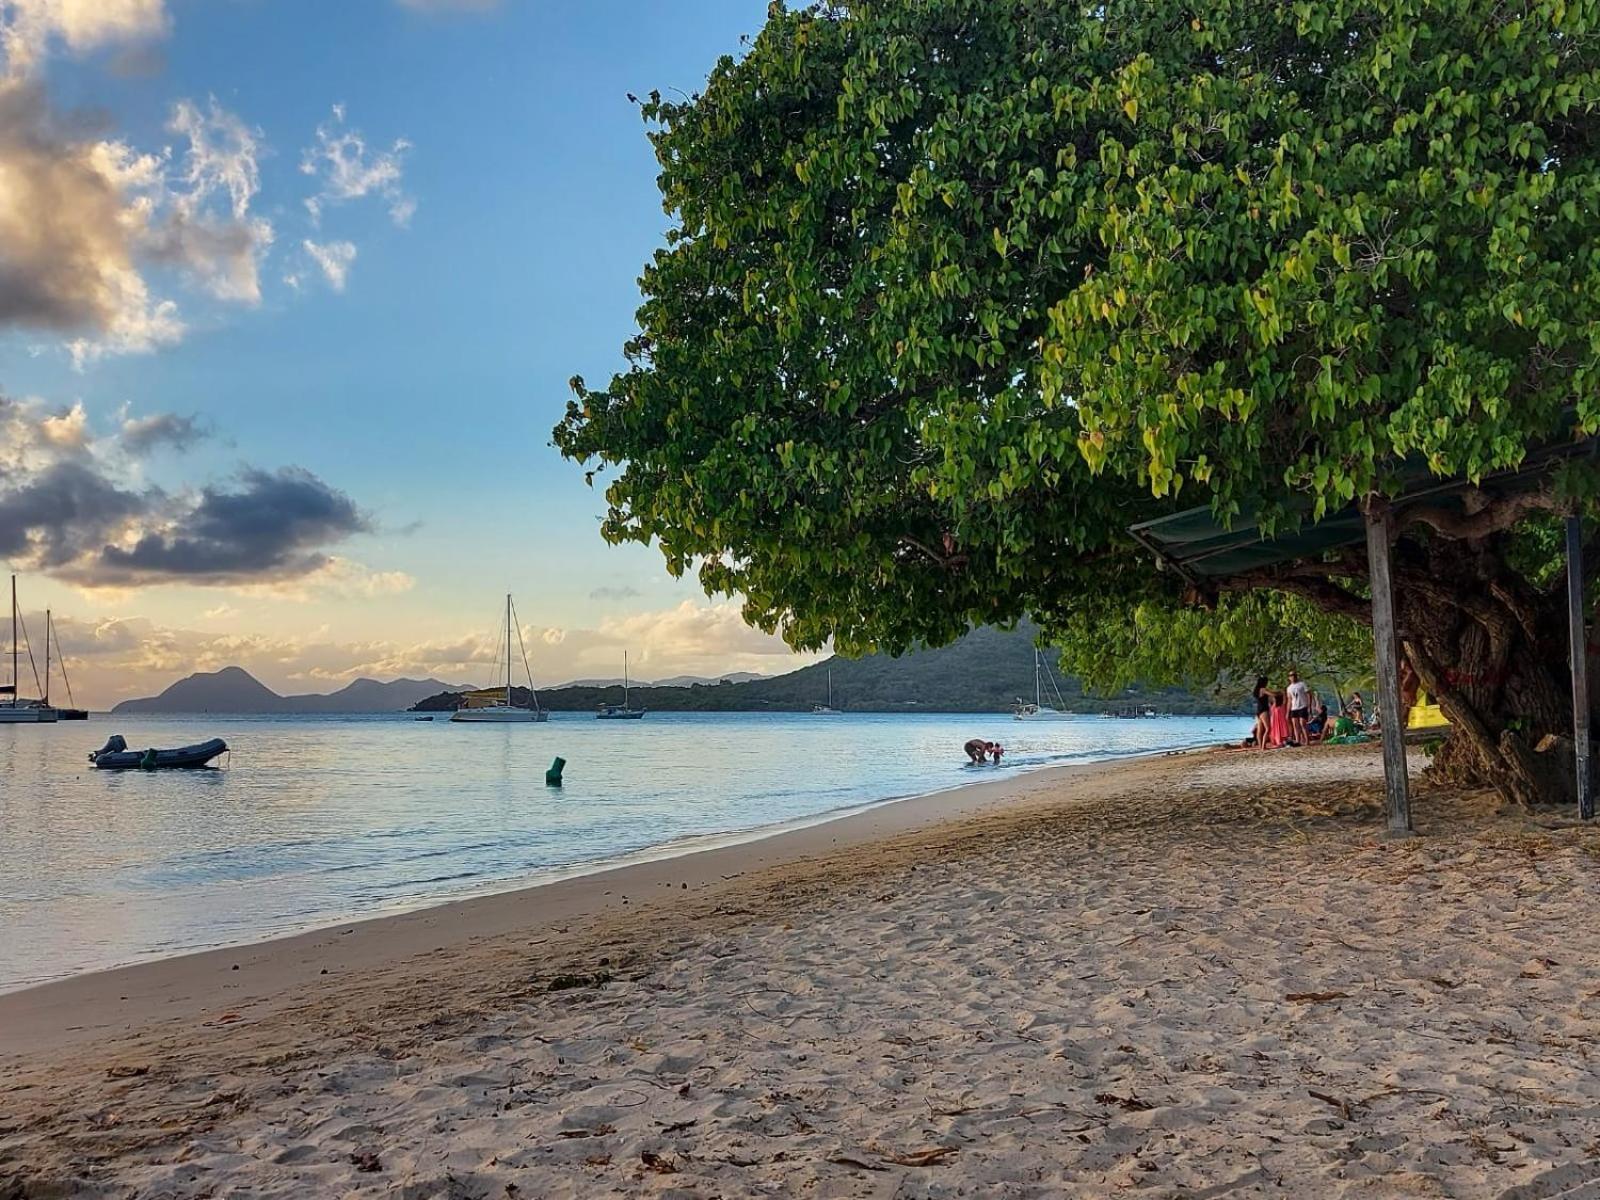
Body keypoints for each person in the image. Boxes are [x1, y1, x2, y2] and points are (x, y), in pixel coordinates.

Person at [1286, 669, 1311, 748]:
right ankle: (1297, 741)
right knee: (1295, 725)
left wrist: (1309, 706)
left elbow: (1309, 694)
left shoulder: (1302, 684)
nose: (1292, 677)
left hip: (1302, 706)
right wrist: (1287, 712)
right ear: (1289, 678)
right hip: (1294, 708)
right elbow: (1289, 700)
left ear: (1296, 676)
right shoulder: (1289, 688)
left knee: (1302, 723)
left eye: (1294, 675)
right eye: (1291, 675)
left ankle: (1307, 741)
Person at [1252, 675, 1271, 751]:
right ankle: (1263, 746)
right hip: (1264, 710)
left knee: (1260, 730)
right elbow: (1272, 694)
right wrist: (1280, 693)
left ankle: (1260, 746)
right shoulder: (1263, 689)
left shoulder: (1257, 690)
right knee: (1268, 728)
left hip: (1258, 711)